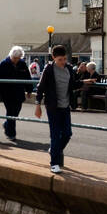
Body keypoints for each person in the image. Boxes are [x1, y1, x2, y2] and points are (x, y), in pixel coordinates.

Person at [34, 45, 82, 174]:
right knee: (55, 135)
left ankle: (54, 151)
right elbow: (41, 87)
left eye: (65, 59)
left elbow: (72, 85)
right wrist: (38, 105)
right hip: (53, 107)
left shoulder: (69, 69)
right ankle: (54, 163)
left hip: (65, 106)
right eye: (60, 59)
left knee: (67, 133)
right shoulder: (49, 69)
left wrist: (85, 82)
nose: (63, 62)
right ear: (54, 58)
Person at [0, 46, 32, 141]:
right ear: (11, 56)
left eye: (19, 58)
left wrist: (29, 90)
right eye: (15, 58)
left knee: (16, 112)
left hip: (19, 92)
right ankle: (11, 133)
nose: (16, 60)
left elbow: (27, 77)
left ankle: (7, 124)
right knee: (10, 112)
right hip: (7, 93)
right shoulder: (4, 64)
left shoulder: (22, 64)